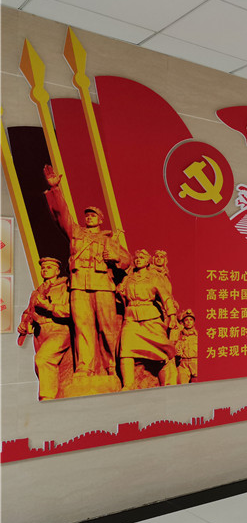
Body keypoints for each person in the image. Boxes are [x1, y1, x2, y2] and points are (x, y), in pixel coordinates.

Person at [42, 165, 130, 377]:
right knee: (82, 326)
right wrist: (55, 189)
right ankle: (85, 365)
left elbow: (126, 259)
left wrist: (115, 258)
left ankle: (111, 365)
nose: (89, 217)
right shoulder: (76, 233)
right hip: (79, 284)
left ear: (100, 220)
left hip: (102, 285)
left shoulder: (109, 239)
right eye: (87, 215)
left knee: (107, 327)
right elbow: (62, 213)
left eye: (93, 215)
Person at [116, 249, 178, 390]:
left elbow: (166, 298)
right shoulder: (128, 278)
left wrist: (172, 315)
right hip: (131, 317)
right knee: (125, 349)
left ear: (148, 261)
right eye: (136, 257)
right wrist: (120, 291)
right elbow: (121, 297)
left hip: (150, 317)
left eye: (142, 258)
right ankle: (128, 385)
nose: (138, 260)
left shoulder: (154, 278)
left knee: (163, 350)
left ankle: (168, 383)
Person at [17, 258, 72, 399]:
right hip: (40, 334)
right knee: (40, 366)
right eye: (43, 268)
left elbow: (71, 310)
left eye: (49, 267)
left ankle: (47, 398)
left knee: (43, 359)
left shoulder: (65, 287)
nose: (45, 270)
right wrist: (23, 323)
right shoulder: (36, 292)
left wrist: (49, 306)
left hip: (59, 329)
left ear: (57, 271)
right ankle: (55, 396)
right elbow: (28, 312)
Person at [175, 309, 198, 384]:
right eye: (186, 320)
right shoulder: (179, 336)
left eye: (191, 320)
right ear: (183, 322)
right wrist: (177, 353)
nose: (188, 322)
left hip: (195, 363)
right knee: (181, 384)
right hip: (183, 364)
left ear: (194, 322)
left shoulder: (198, 336)